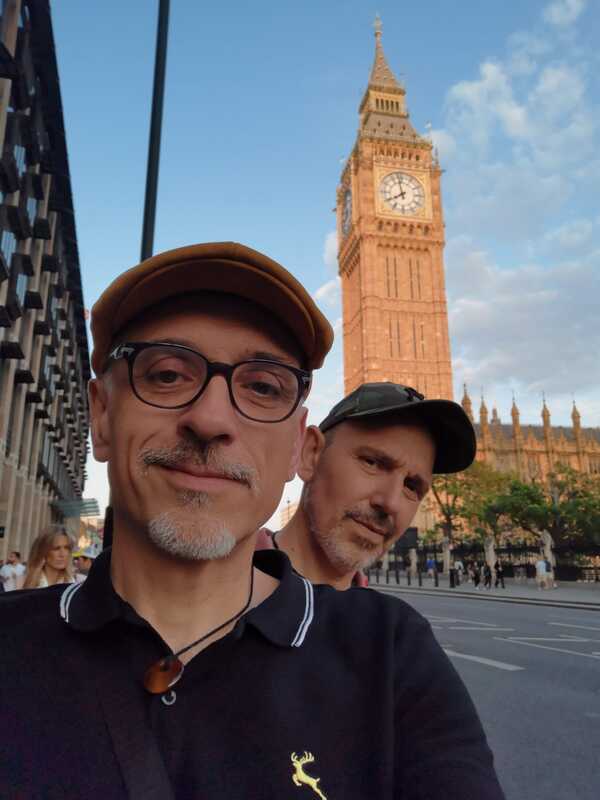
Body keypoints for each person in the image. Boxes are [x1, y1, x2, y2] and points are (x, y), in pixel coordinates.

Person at [0, 242, 504, 798]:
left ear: (296, 447)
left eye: (263, 387)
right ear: (100, 417)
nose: (211, 418)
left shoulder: (390, 652)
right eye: (167, 374)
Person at [263, 382, 477, 591]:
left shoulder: (386, 615)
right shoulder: (242, 584)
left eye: (411, 486)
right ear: (311, 454)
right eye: (372, 463)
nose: (391, 503)